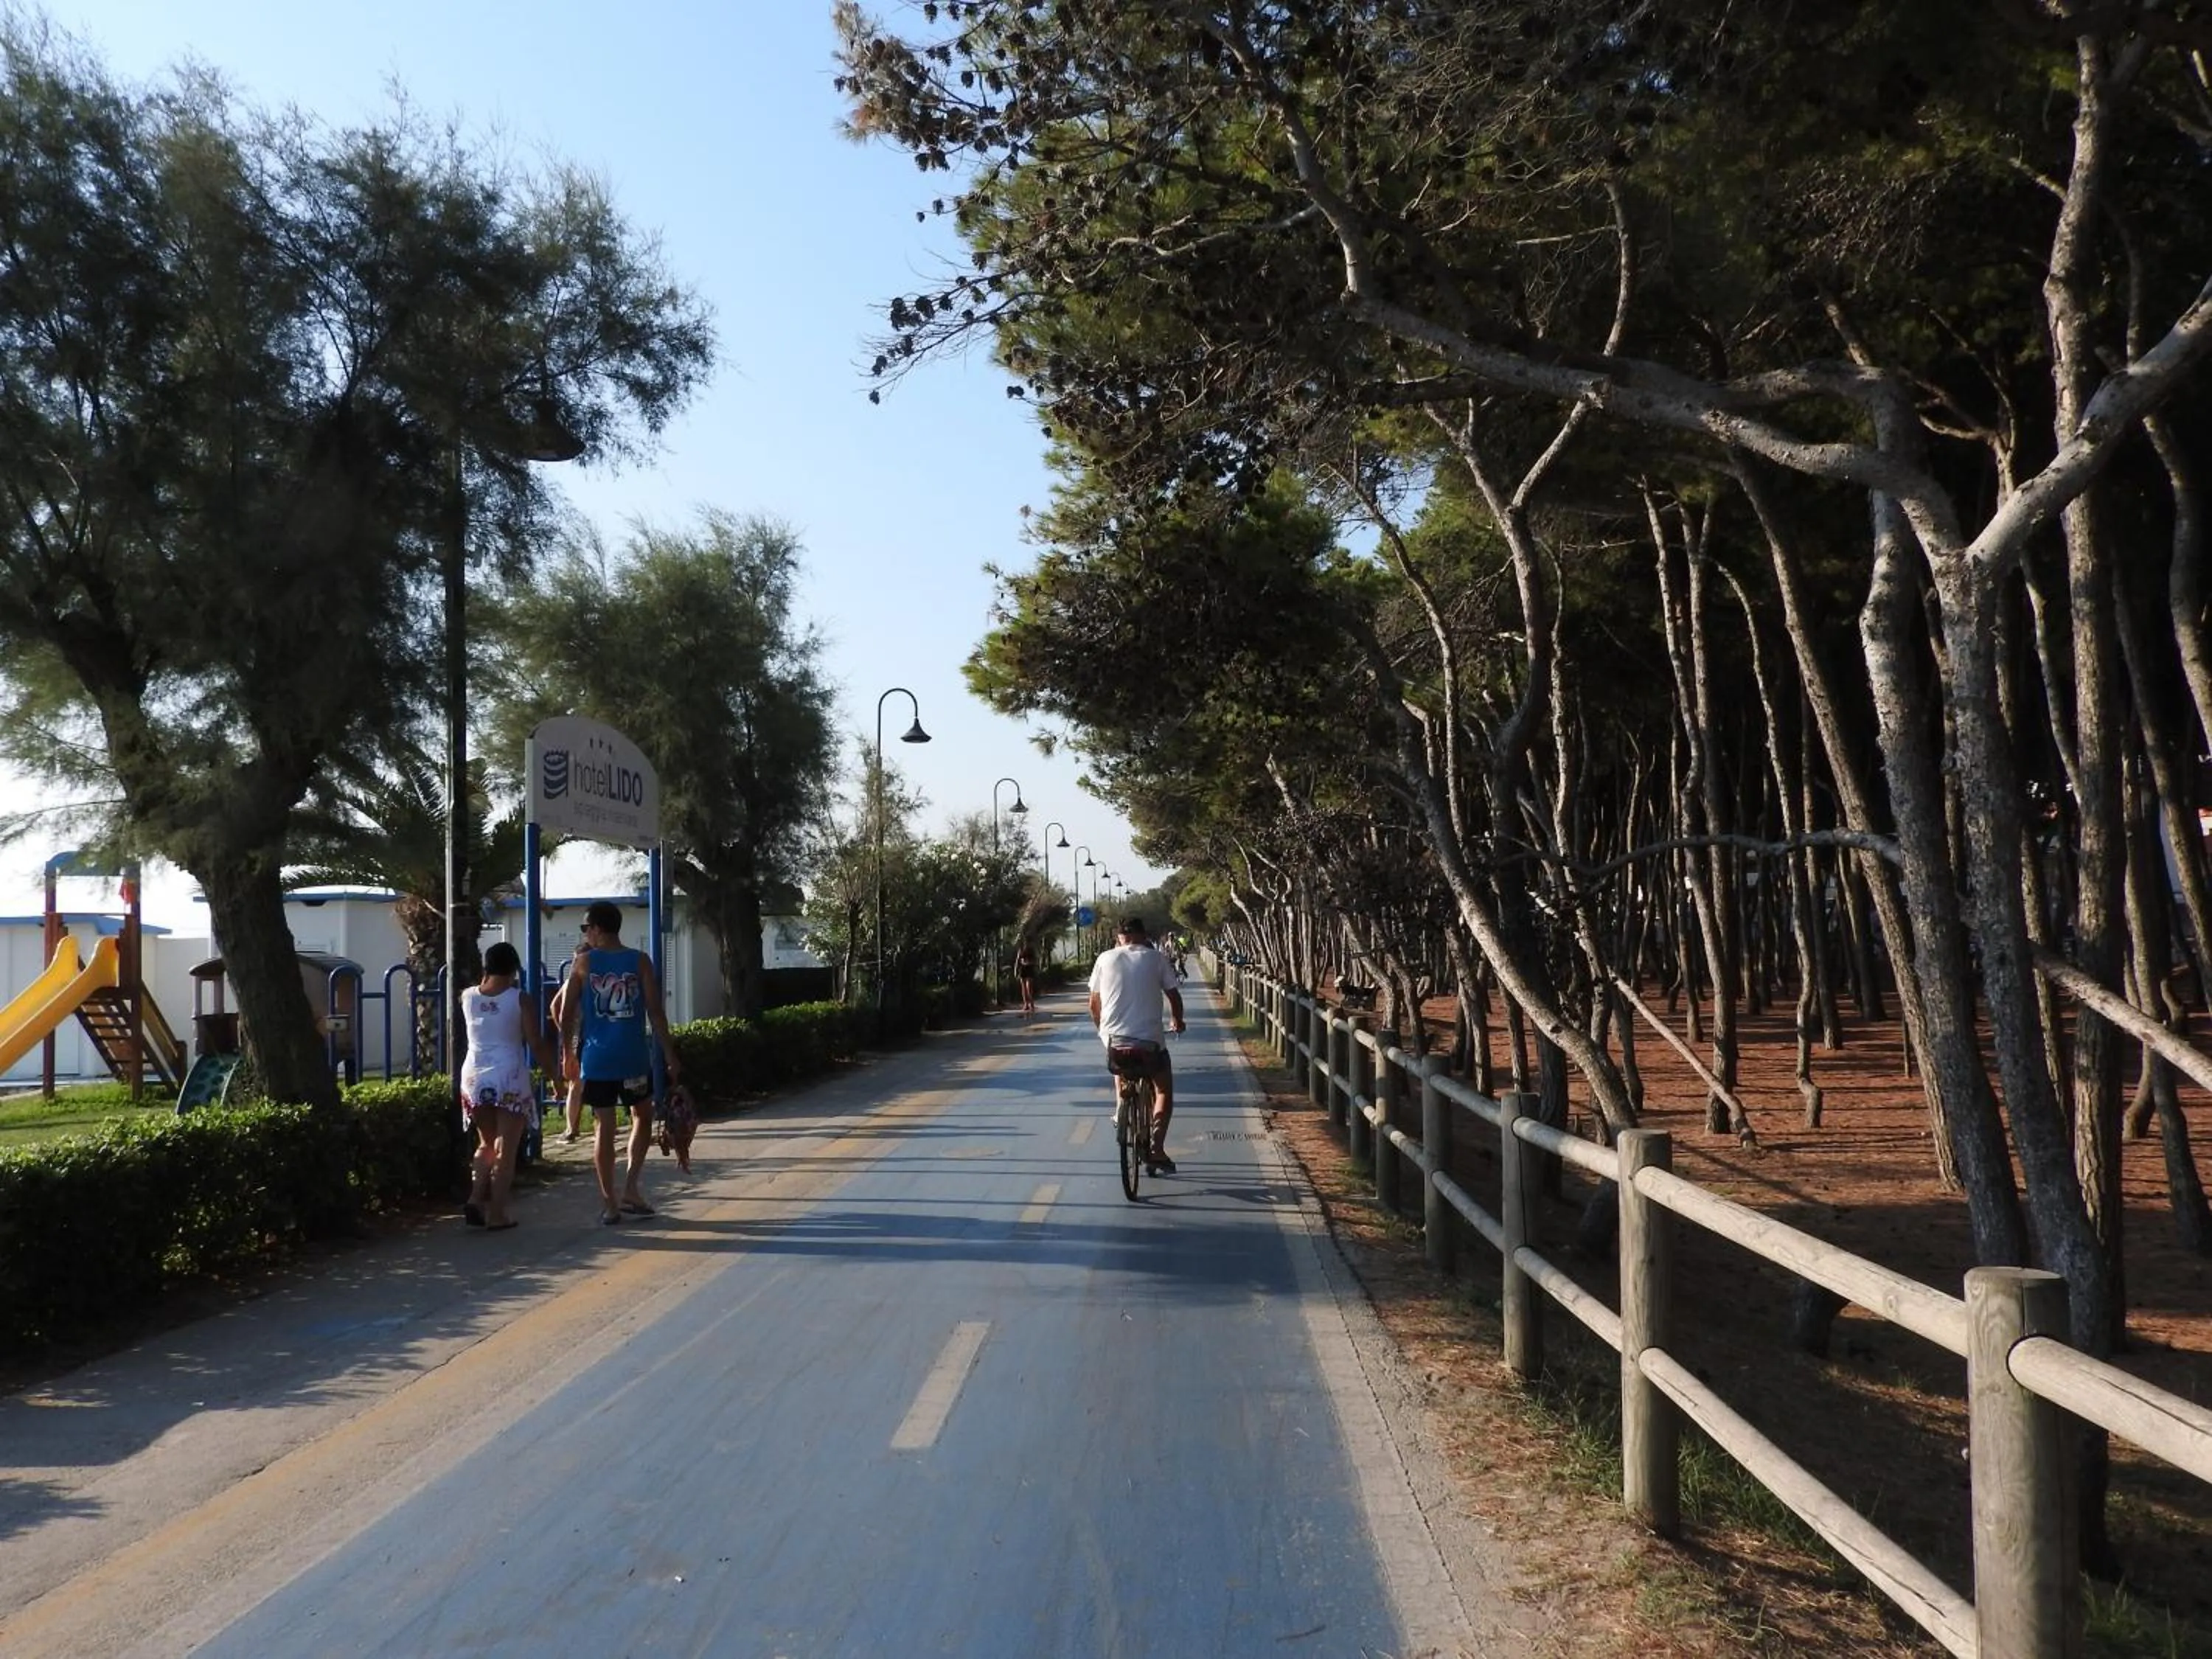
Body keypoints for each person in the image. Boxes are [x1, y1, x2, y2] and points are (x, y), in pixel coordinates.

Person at [559, 900, 682, 1225]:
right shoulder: (640, 961)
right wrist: (669, 1053)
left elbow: (566, 1012)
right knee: (641, 1115)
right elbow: (656, 1013)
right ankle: (630, 1187)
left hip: (597, 1060)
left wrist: (567, 1053)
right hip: (633, 1058)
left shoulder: (583, 963)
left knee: (604, 1127)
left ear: (597, 928)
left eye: (586, 928)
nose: (586, 934)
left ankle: (610, 1204)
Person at [461, 941, 561, 1231]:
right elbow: (535, 1042)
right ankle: (497, 1214)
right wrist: (555, 1077)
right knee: (507, 1147)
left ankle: (475, 1197)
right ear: (514, 968)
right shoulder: (519, 999)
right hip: (508, 1076)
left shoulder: (467, 997)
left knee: (486, 1143)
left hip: (474, 1076)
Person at [1088, 914, 1186, 1173]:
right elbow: (1173, 996)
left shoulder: (1104, 958)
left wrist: (1102, 1030)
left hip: (1115, 1041)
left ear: (1119, 937)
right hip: (1150, 1043)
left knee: (1119, 1062)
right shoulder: (1156, 958)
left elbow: (1093, 1003)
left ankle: (1121, 1108)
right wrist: (1178, 1020)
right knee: (1163, 1089)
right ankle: (1156, 1150)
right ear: (1143, 935)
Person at [546, 975, 585, 1143]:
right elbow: (555, 1006)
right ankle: (572, 1128)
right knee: (578, 1083)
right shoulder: (588, 979)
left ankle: (572, 1128)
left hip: (578, 1034)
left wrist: (564, 1028)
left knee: (576, 1084)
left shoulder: (573, 981)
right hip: (588, 1034)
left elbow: (555, 1005)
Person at [1013, 939, 1038, 1016]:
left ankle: (1031, 1003)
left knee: (1029, 987)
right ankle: (1026, 1004)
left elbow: (1035, 961)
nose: (1026, 944)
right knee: (1023, 988)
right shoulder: (1021, 950)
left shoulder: (1032, 951)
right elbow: (1017, 960)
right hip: (1023, 969)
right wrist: (1015, 970)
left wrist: (1029, 962)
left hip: (1030, 969)